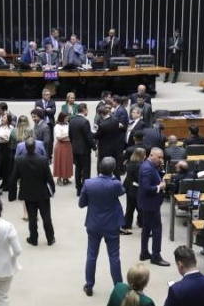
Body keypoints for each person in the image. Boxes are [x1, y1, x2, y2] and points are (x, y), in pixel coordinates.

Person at [79, 157, 125, 296]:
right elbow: (122, 192)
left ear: (99, 167)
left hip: (94, 224)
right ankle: (119, 287)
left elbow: (81, 204)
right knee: (114, 257)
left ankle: (89, 285)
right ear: (113, 169)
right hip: (111, 224)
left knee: (91, 255)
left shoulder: (88, 183)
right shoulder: (115, 184)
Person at [9, 138, 56, 246]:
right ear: (35, 147)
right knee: (46, 217)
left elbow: (13, 178)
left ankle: (33, 239)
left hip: (28, 193)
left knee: (32, 218)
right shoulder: (43, 160)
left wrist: (12, 195)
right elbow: (49, 177)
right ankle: (50, 238)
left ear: (25, 147)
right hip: (42, 193)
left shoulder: (19, 160)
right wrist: (52, 190)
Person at [138, 148, 170, 266]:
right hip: (150, 204)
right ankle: (156, 256)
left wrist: (161, 168)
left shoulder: (151, 165)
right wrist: (159, 188)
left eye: (162, 157)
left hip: (149, 204)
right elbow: (146, 188)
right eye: (159, 157)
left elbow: (156, 176)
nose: (161, 159)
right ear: (151, 155)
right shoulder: (146, 168)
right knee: (157, 230)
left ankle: (144, 252)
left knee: (146, 228)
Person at [68, 103, 97, 196]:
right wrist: (94, 147)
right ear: (84, 110)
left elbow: (70, 135)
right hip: (84, 150)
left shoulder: (71, 120)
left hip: (75, 149)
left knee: (78, 169)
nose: (88, 111)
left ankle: (78, 189)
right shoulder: (85, 121)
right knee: (86, 170)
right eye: (87, 109)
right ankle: (85, 190)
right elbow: (88, 137)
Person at [95, 107, 123, 180]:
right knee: (115, 167)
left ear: (101, 114)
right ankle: (118, 181)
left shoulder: (102, 125)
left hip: (105, 149)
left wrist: (91, 132)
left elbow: (97, 136)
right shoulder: (116, 120)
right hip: (115, 147)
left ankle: (103, 181)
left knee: (104, 167)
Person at [123, 148, 146, 234]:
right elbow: (139, 179)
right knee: (141, 208)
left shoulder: (130, 163)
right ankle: (143, 225)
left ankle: (126, 224)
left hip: (129, 187)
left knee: (130, 207)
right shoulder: (139, 166)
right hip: (136, 189)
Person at [53, 112, 73, 185]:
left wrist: (65, 135)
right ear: (62, 118)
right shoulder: (57, 126)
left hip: (68, 145)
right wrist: (68, 134)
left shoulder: (68, 125)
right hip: (61, 146)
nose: (68, 119)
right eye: (66, 118)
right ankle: (59, 179)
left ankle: (66, 178)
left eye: (68, 118)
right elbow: (59, 137)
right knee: (60, 162)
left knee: (67, 162)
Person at [34, 88, 56, 155]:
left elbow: (52, 113)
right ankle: (40, 154)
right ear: (43, 95)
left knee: (50, 140)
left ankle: (49, 156)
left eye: (49, 94)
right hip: (40, 124)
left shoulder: (52, 102)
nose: (49, 96)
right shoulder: (38, 102)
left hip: (49, 124)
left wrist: (42, 110)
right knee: (39, 139)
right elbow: (38, 114)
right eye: (47, 95)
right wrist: (46, 110)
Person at [0, 112, 14, 191]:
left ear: (8, 120)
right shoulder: (0, 127)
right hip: (1, 150)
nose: (2, 119)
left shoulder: (11, 128)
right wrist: (3, 138)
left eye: (4, 118)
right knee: (2, 167)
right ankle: (4, 182)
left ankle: (7, 184)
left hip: (7, 149)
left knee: (8, 167)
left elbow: (9, 139)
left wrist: (3, 138)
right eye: (2, 117)